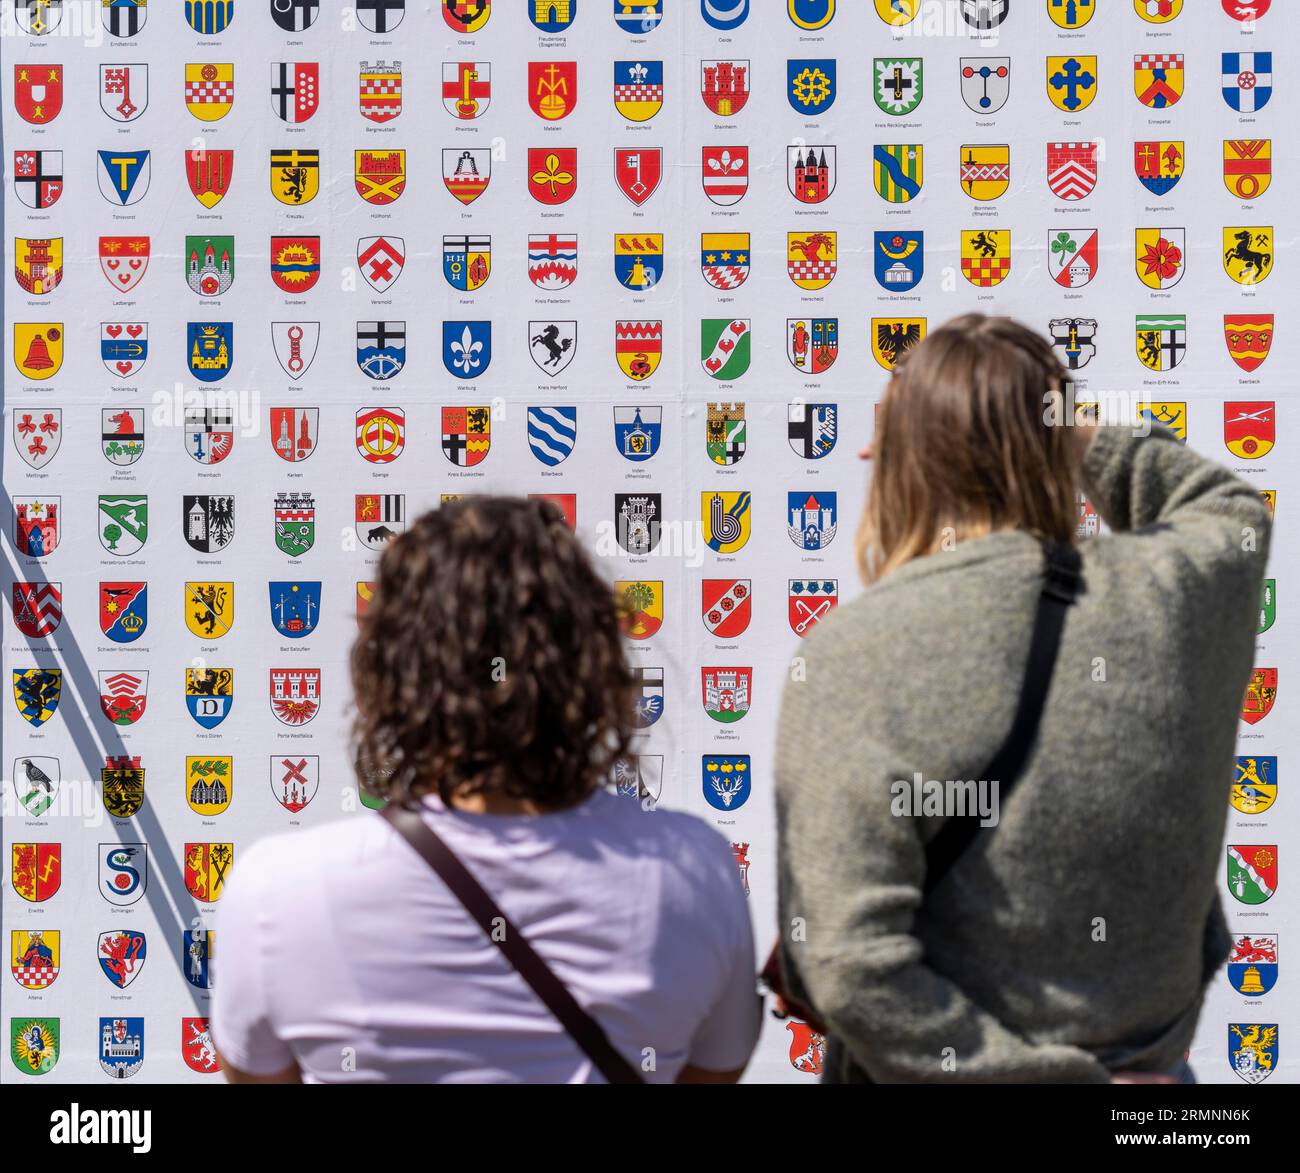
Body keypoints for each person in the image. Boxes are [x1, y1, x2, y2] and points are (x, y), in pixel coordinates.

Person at [773, 314, 1270, 1083]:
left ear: (898, 463)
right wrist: (1049, 424)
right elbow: (1229, 507)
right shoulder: (1172, 599)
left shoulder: (857, 651)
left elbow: (844, 963)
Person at [213, 496, 759, 1083]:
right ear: (592, 660)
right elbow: (712, 1074)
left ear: (388, 668)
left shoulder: (278, 887)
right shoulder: (694, 871)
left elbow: (257, 1075)